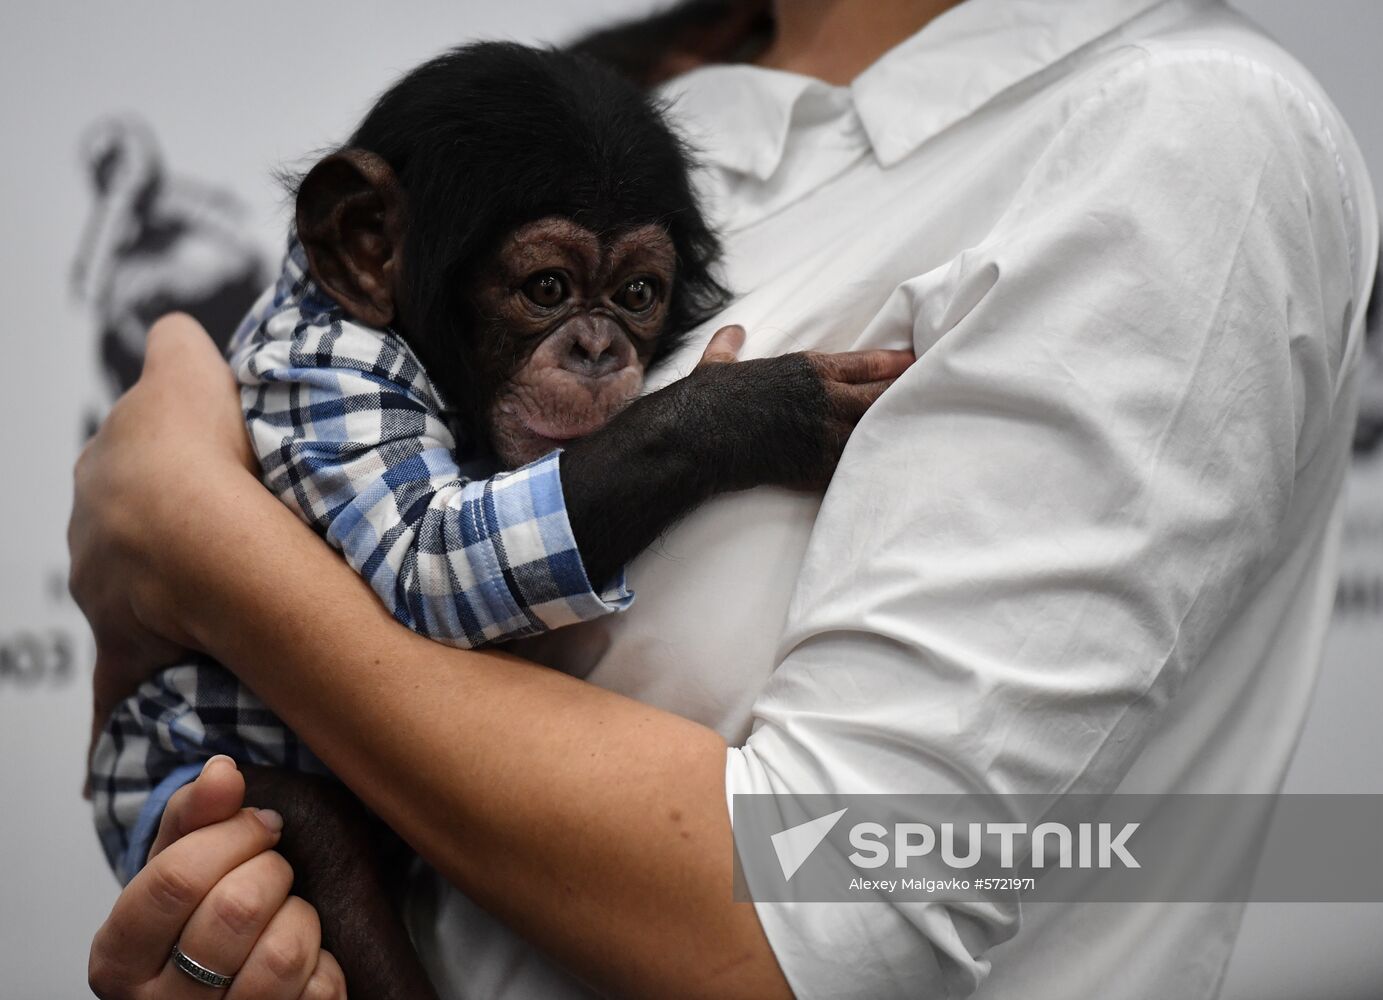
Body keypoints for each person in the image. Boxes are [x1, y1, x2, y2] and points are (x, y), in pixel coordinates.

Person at [76, 0, 1379, 997]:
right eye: (554, 294)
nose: (599, 347)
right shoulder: (601, 92)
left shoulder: (1176, 130)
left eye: (631, 304)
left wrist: (199, 543)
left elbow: (823, 909)